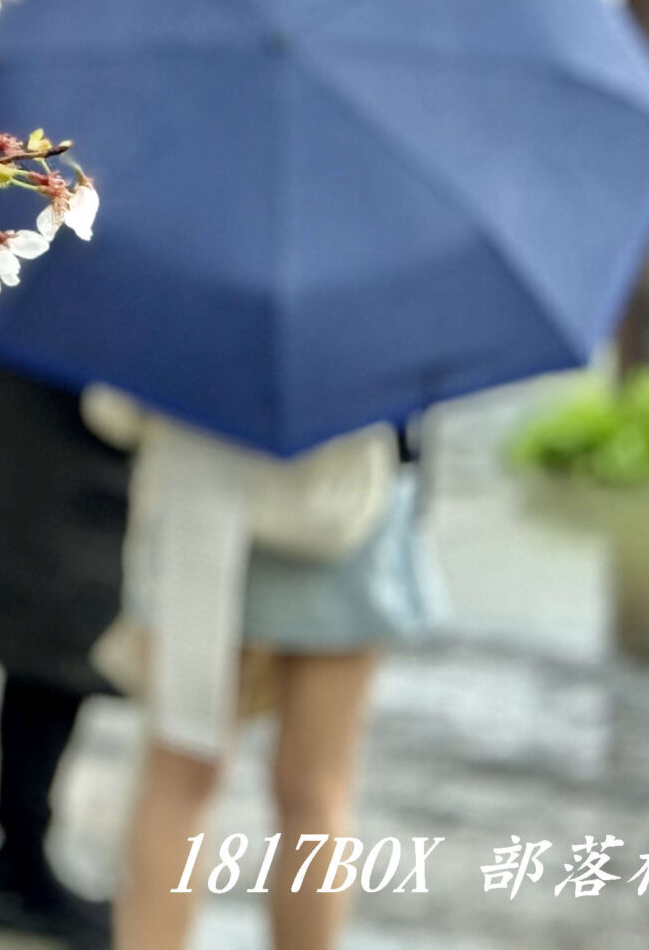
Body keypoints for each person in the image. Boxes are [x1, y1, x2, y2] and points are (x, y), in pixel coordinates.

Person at [98, 403, 442, 950]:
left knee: (177, 775)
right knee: (317, 787)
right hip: (344, 500)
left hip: (199, 502)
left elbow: (113, 408)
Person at [0, 348, 132, 948]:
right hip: (48, 417)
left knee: (54, 645)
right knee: (48, 643)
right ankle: (20, 866)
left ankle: (21, 862)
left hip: (57, 409)